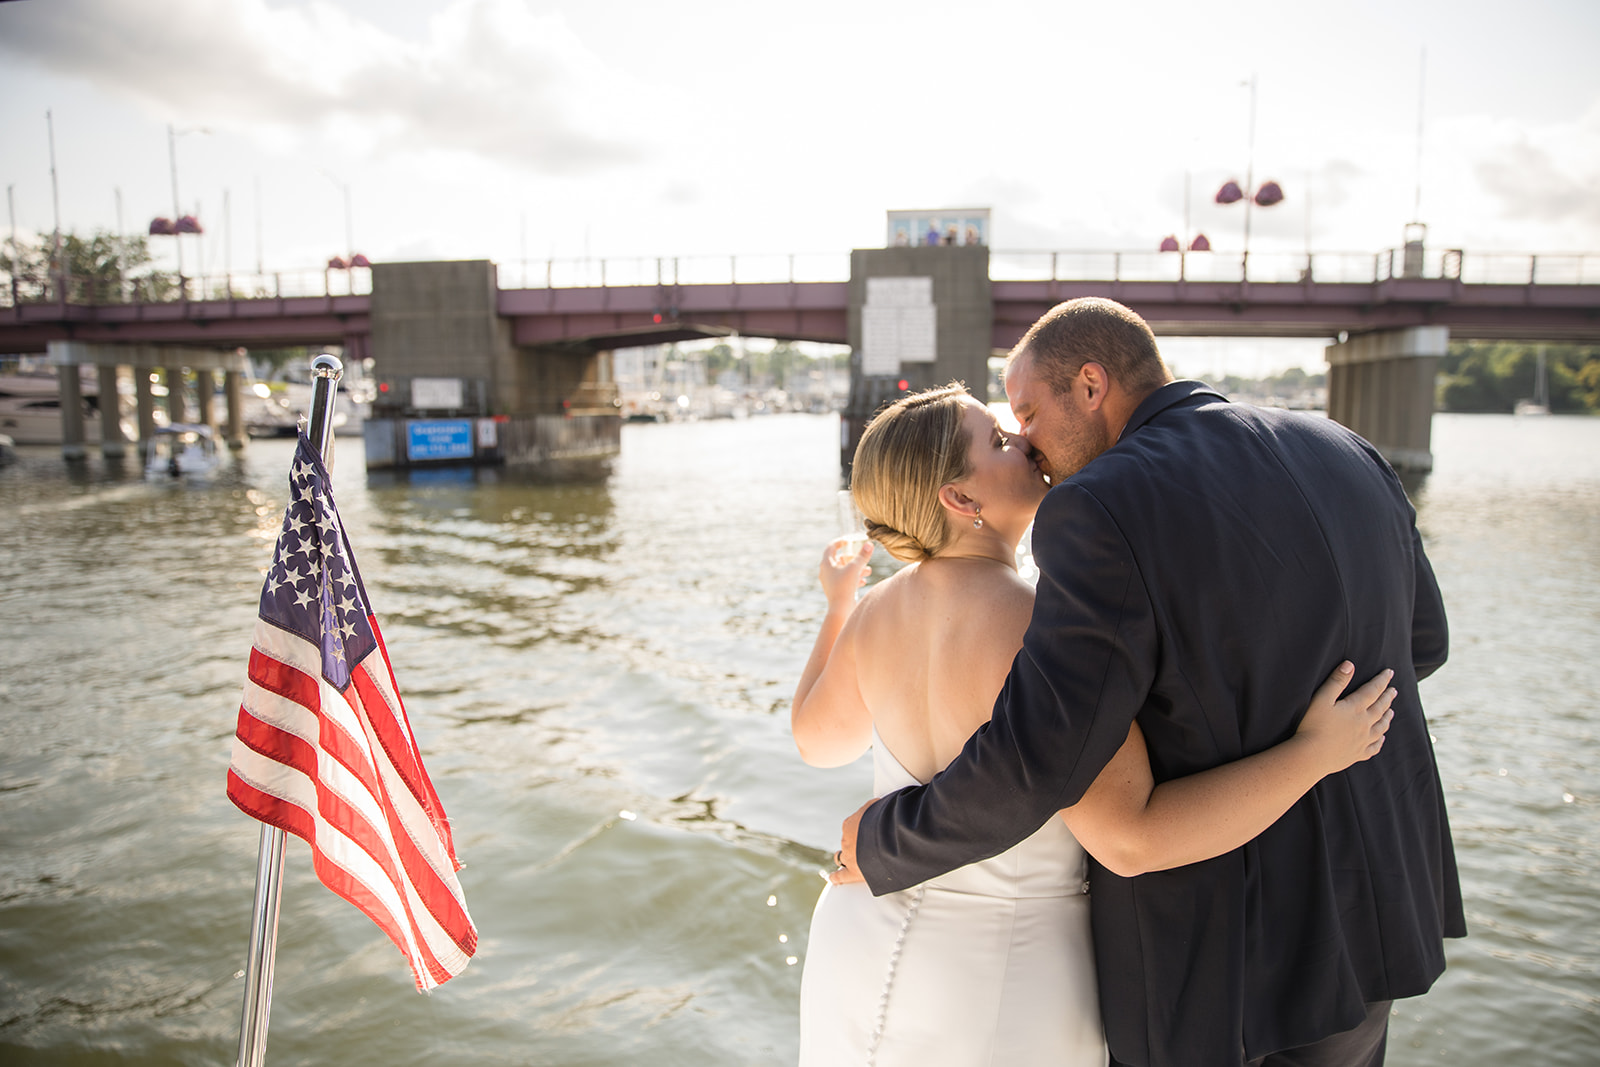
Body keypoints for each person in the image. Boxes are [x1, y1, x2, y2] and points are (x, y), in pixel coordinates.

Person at [834, 300, 1464, 1067]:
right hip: (1377, 905)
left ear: (1092, 385)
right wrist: (1301, 731)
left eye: (1028, 412)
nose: (1027, 442)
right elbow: (1422, 642)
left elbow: (1038, 757)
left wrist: (883, 840)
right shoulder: (1348, 449)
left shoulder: (1097, 506)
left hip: (1217, 951)